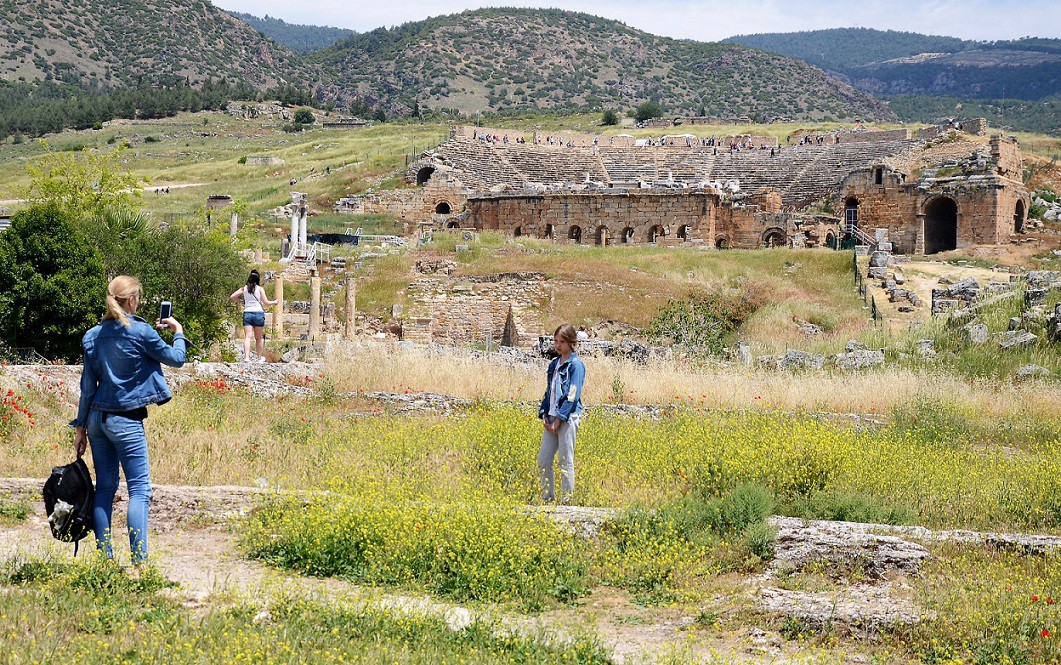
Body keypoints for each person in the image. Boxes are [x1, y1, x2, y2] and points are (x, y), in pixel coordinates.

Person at [73, 276, 186, 571]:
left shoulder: (92, 336)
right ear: (133, 300)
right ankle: (140, 564)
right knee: (139, 490)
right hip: (125, 419)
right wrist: (178, 331)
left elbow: (87, 387)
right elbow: (176, 359)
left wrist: (80, 427)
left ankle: (105, 560)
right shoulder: (142, 331)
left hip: (97, 419)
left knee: (105, 488)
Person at [537, 323, 586, 505]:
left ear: (571, 343)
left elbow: (573, 395)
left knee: (565, 460)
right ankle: (548, 499)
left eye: (562, 341)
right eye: (555, 341)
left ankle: (566, 502)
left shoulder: (576, 366)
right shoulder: (553, 365)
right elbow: (549, 392)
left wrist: (559, 419)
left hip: (567, 417)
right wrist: (544, 414)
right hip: (551, 417)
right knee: (544, 460)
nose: (558, 345)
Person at [230, 269, 276, 362]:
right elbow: (266, 302)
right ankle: (259, 358)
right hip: (258, 313)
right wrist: (274, 302)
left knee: (248, 336)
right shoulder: (260, 289)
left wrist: (241, 302)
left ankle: (246, 357)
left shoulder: (244, 288)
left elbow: (233, 296)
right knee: (258, 338)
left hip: (248, 313)